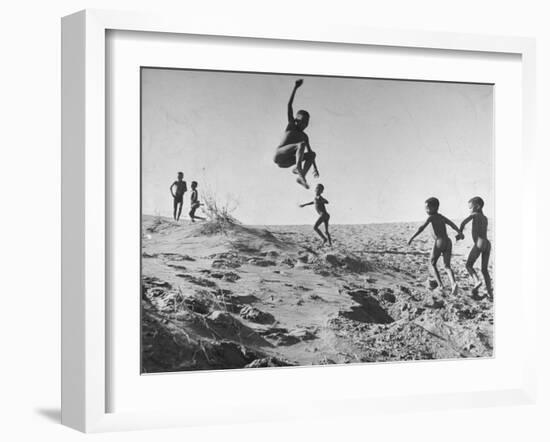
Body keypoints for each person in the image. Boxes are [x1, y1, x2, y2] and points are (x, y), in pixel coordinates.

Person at [408, 197, 462, 296]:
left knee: (432, 263)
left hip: (439, 241)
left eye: (427, 208)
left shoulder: (431, 217)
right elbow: (452, 224)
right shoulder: (442, 216)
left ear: (434, 208)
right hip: (448, 241)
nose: (426, 210)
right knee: (447, 266)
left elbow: (421, 228)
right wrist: (459, 232)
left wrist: (412, 237)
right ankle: (454, 283)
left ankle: (441, 285)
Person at [273, 79, 319, 189]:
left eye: (306, 123)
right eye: (302, 121)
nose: (304, 124)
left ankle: (300, 176)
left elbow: (310, 152)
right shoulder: (292, 125)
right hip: (279, 155)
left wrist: (315, 168)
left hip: (288, 162)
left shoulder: (305, 136)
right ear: (296, 120)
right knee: (301, 144)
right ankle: (299, 170)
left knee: (312, 154)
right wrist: (295, 88)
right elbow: (289, 105)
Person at [456, 196, 493, 300]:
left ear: (477, 206)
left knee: (468, 265)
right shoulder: (485, 218)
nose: (469, 210)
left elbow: (463, 222)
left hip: (479, 242)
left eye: (470, 208)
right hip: (487, 243)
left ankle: (477, 281)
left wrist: (460, 232)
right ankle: (490, 292)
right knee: (484, 269)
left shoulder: (474, 214)